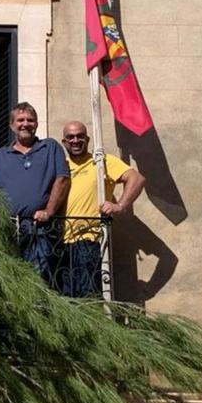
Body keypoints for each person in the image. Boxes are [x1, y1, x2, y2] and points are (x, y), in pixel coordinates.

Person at [0, 102, 70, 281]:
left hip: (39, 230)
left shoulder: (50, 147)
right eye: (20, 120)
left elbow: (62, 179)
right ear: (12, 125)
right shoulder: (1, 155)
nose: (25, 124)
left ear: (36, 124)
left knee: (36, 279)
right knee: (8, 279)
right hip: (7, 229)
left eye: (30, 120)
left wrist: (48, 211)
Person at [60, 120, 145, 297]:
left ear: (88, 139)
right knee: (65, 301)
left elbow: (136, 179)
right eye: (71, 137)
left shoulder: (101, 162)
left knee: (87, 300)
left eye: (80, 136)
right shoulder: (61, 166)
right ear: (64, 142)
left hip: (87, 240)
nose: (75, 140)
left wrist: (120, 206)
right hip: (60, 244)